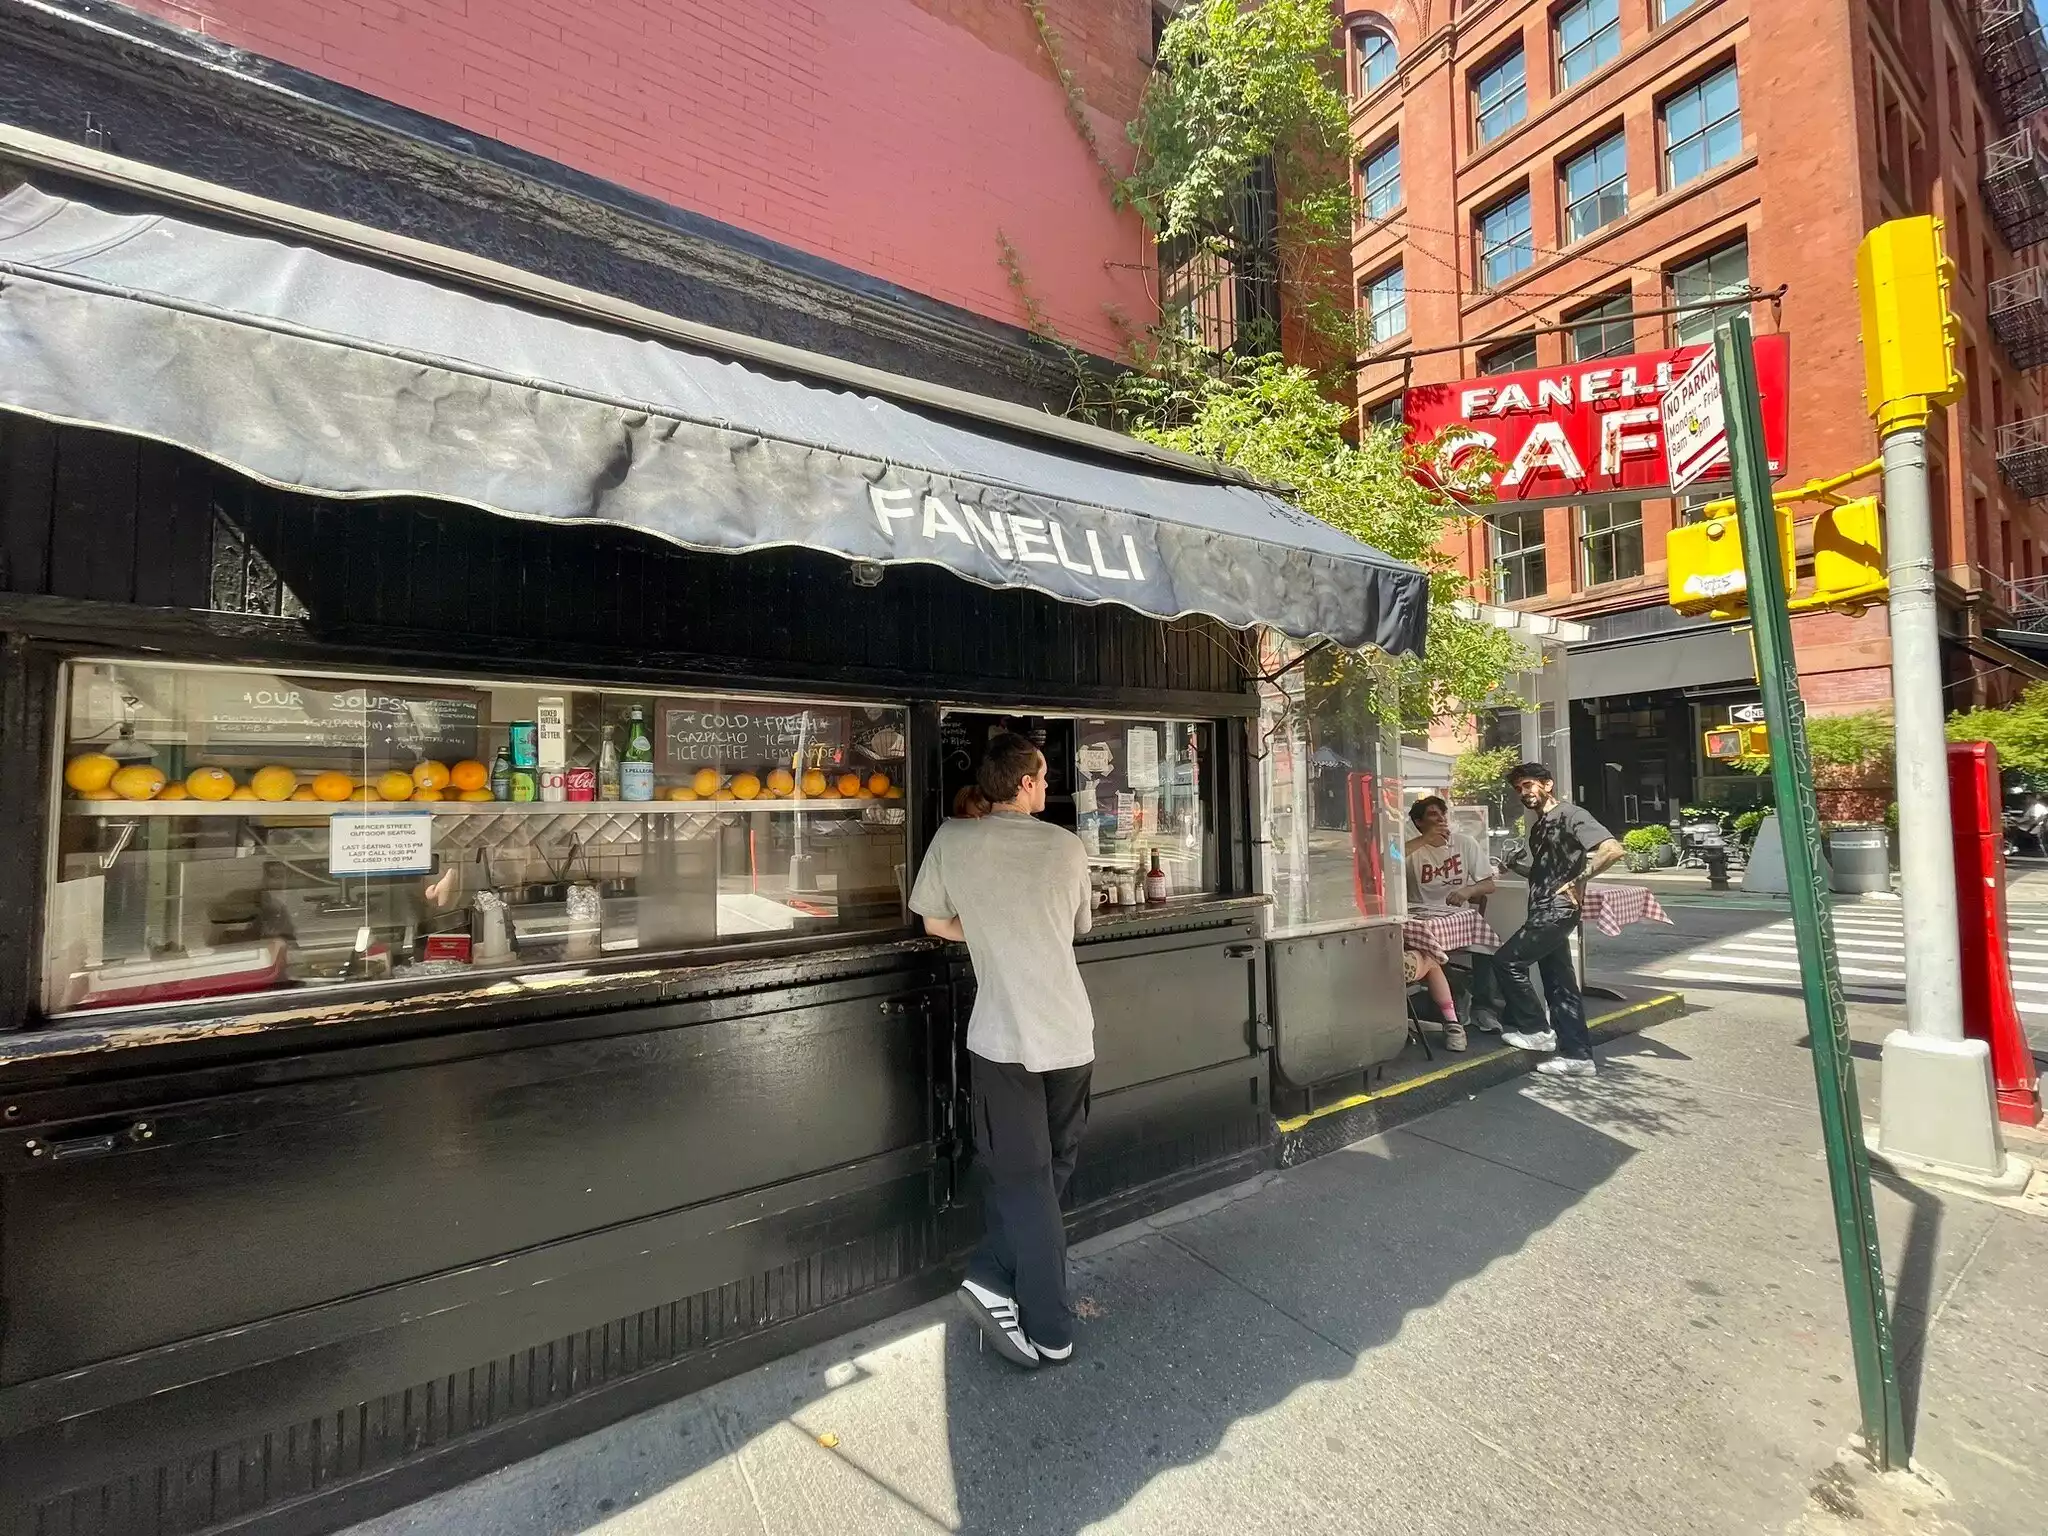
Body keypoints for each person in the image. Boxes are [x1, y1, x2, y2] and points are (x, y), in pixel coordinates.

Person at [910, 731, 1094, 1369]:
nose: (1047, 785)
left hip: (1002, 1038)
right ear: (1024, 783)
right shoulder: (1067, 847)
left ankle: (992, 1276)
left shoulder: (952, 840)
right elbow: (1077, 925)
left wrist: (988, 927)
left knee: (1024, 1179)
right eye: (1042, 775)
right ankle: (1049, 1324)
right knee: (1051, 1167)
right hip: (1069, 1032)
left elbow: (934, 922)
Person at [1468, 762, 1625, 1078]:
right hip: (1544, 908)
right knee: (1560, 985)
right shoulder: (1541, 826)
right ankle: (1578, 1057)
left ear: (1547, 784)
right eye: (1518, 789)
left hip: (1556, 910)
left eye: (1528, 785)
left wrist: (1580, 880)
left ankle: (1536, 1030)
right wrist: (1518, 868)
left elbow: (1612, 849)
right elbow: (1546, 873)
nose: (1523, 792)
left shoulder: (1571, 815)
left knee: (1507, 961)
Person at [1404, 796, 1498, 1052]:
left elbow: (1489, 884)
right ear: (1418, 822)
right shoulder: (1411, 849)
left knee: (1486, 947)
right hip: (1423, 922)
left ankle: (1483, 1007)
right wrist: (1424, 840)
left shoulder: (1464, 843)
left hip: (1457, 919)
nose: (1440, 819)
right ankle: (1454, 1000)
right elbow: (1385, 861)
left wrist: (1468, 891)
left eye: (1442, 814)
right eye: (1432, 815)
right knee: (1428, 951)